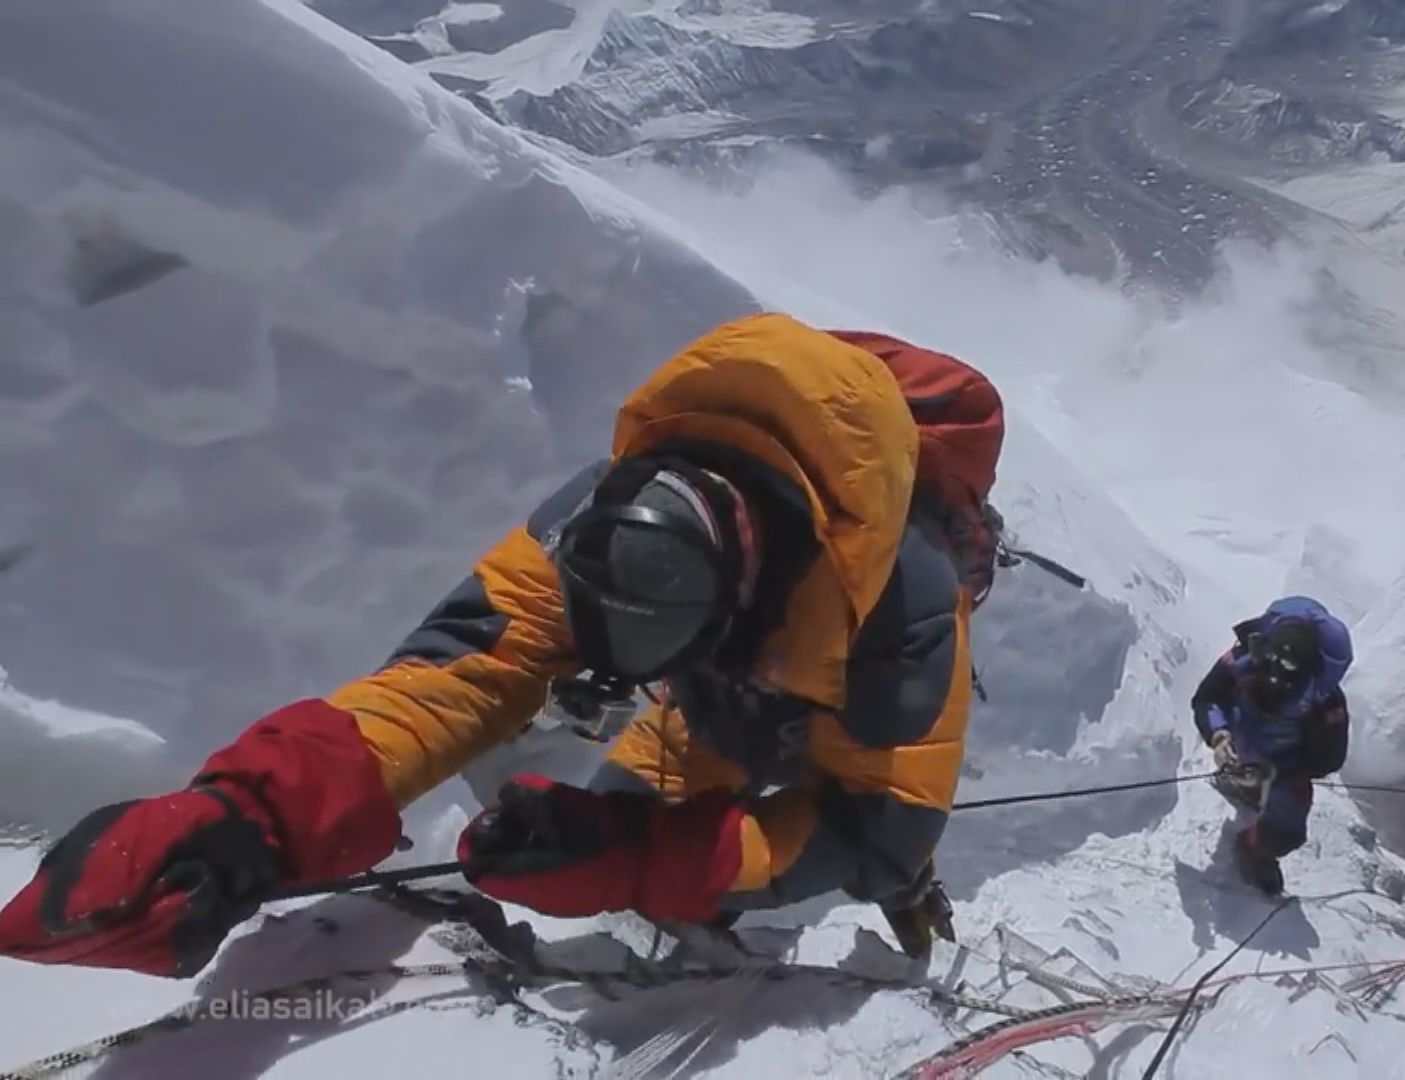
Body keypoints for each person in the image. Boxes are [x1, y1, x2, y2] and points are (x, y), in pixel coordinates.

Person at [0, 312, 996, 978]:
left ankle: (907, 928)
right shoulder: (602, 523)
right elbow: (458, 674)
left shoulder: (907, 604)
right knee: (638, 844)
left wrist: (653, 861)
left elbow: (878, 820)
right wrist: (246, 812)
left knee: (853, 859)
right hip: (710, 712)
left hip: (834, 714)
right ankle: (702, 946)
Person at [1191, 596, 1353, 897]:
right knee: (1253, 783)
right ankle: (1244, 787)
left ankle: (1254, 846)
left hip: (1284, 763)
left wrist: (1274, 771)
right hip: (1241, 742)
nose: (1273, 674)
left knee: (1286, 834)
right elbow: (1209, 698)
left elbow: (1329, 758)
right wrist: (1219, 736)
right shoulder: (1239, 661)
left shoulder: (1325, 701)